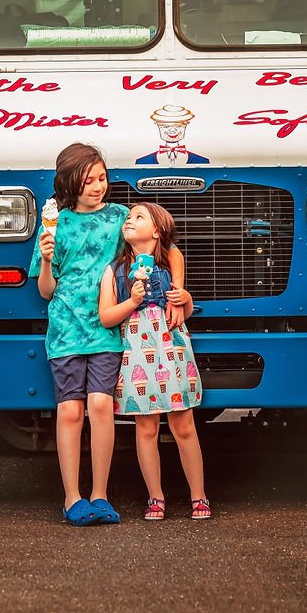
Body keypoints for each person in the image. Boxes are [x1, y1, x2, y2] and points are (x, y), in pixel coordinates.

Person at [30, 142, 127, 526]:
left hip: (106, 325)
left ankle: (100, 494)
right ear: (71, 183)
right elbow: (46, 291)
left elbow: (158, 247)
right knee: (70, 410)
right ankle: (72, 497)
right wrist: (48, 260)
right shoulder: (57, 224)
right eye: (88, 181)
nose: (97, 186)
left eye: (102, 178)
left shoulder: (120, 218)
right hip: (66, 330)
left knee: (102, 407)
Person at [99, 202, 210, 520]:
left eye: (139, 217)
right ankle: (155, 497)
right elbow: (106, 316)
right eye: (128, 217)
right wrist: (132, 301)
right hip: (137, 359)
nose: (129, 220)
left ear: (157, 231)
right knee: (145, 428)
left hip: (173, 354)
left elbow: (183, 315)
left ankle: (198, 496)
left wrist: (185, 299)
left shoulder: (167, 266)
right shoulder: (115, 271)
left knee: (184, 426)